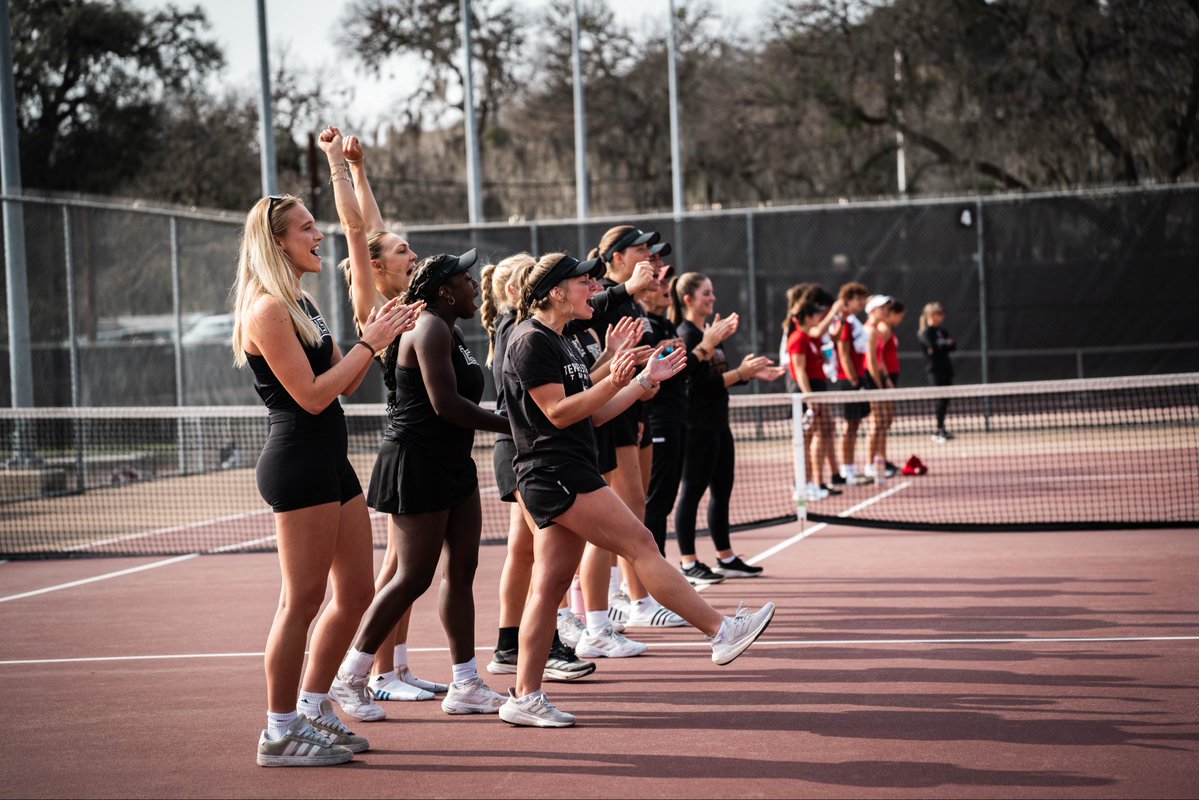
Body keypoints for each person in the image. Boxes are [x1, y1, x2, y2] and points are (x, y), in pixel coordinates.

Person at [497, 252, 776, 727]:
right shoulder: (529, 341)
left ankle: (524, 697)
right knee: (642, 542)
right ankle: (721, 630)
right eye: (584, 282)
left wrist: (643, 380)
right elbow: (559, 413)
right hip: (554, 471)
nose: (594, 288)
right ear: (557, 292)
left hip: (566, 465)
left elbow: (595, 413)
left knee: (548, 588)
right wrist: (617, 379)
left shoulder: (560, 340)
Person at [232, 188, 420, 766]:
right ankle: (279, 730)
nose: (319, 237)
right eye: (307, 229)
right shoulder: (265, 309)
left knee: (357, 592)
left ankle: (313, 709)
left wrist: (375, 336)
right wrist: (371, 341)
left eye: (317, 226)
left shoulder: (303, 303)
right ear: (278, 241)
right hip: (297, 463)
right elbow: (312, 397)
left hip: (331, 463)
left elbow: (347, 378)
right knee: (301, 601)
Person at [330, 240, 514, 723]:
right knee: (412, 575)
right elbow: (446, 406)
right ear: (443, 290)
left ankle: (467, 683)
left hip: (452, 463)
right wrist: (516, 426)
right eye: (466, 279)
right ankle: (350, 676)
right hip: (416, 463)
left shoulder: (449, 331)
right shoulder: (429, 328)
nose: (474, 286)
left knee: (462, 572)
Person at [338, 133, 446, 703]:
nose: (412, 254)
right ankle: (376, 673)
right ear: (374, 268)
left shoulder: (408, 299)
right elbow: (362, 236)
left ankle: (397, 668)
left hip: (429, 446)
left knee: (408, 570)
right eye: (402, 251)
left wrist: (361, 167)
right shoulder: (374, 309)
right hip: (405, 446)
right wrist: (341, 168)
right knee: (397, 571)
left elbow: (372, 228)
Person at [481, 253, 596, 682]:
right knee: (540, 559)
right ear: (517, 290)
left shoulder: (541, 330)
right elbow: (551, 406)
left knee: (529, 554)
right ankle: (541, 647)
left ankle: (513, 645)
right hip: (524, 449)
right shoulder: (522, 331)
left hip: (529, 448)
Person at [671, 272, 785, 583]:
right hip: (697, 427)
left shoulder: (707, 334)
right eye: (706, 293)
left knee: (722, 490)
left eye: (712, 292)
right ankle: (688, 561)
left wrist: (750, 373)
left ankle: (726, 557)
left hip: (719, 424)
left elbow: (719, 377)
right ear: (688, 299)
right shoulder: (689, 336)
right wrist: (740, 373)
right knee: (692, 492)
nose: (712, 298)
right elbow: (696, 385)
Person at [639, 247, 738, 556]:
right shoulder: (655, 327)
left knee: (665, 501)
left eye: (666, 281)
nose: (664, 287)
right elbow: (689, 376)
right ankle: (660, 573)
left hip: (684, 420)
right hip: (669, 422)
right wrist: (707, 348)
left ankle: (665, 572)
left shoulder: (667, 327)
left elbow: (685, 371)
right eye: (658, 282)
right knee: (657, 502)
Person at [785, 298, 843, 501]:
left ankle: (812, 482)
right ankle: (802, 484)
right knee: (805, 439)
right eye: (816, 314)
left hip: (818, 388)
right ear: (807, 318)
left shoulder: (811, 338)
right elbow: (799, 371)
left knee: (823, 431)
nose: (820, 317)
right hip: (806, 392)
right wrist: (808, 397)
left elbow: (826, 344)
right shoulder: (798, 338)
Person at [833, 282, 872, 485]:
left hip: (858, 377)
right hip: (848, 380)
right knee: (849, 425)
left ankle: (851, 468)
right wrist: (853, 378)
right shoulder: (844, 322)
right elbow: (843, 351)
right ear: (847, 300)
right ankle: (846, 469)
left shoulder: (853, 321)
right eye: (859, 299)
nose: (862, 303)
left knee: (855, 424)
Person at [864, 295, 901, 479]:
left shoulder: (876, 331)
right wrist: (878, 385)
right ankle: (870, 463)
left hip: (879, 380)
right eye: (882, 307)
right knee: (876, 423)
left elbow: (879, 360)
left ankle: (880, 460)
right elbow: (871, 362)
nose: (886, 311)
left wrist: (886, 379)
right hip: (870, 381)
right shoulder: (870, 331)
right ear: (872, 310)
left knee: (882, 422)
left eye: (887, 307)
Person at [918, 301, 957, 443]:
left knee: (946, 399)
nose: (942, 316)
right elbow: (933, 347)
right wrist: (944, 344)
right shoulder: (926, 332)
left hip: (947, 368)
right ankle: (937, 431)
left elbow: (953, 346)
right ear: (931, 315)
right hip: (934, 370)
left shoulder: (942, 331)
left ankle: (942, 428)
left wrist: (943, 345)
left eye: (942, 313)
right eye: (939, 313)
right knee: (940, 399)